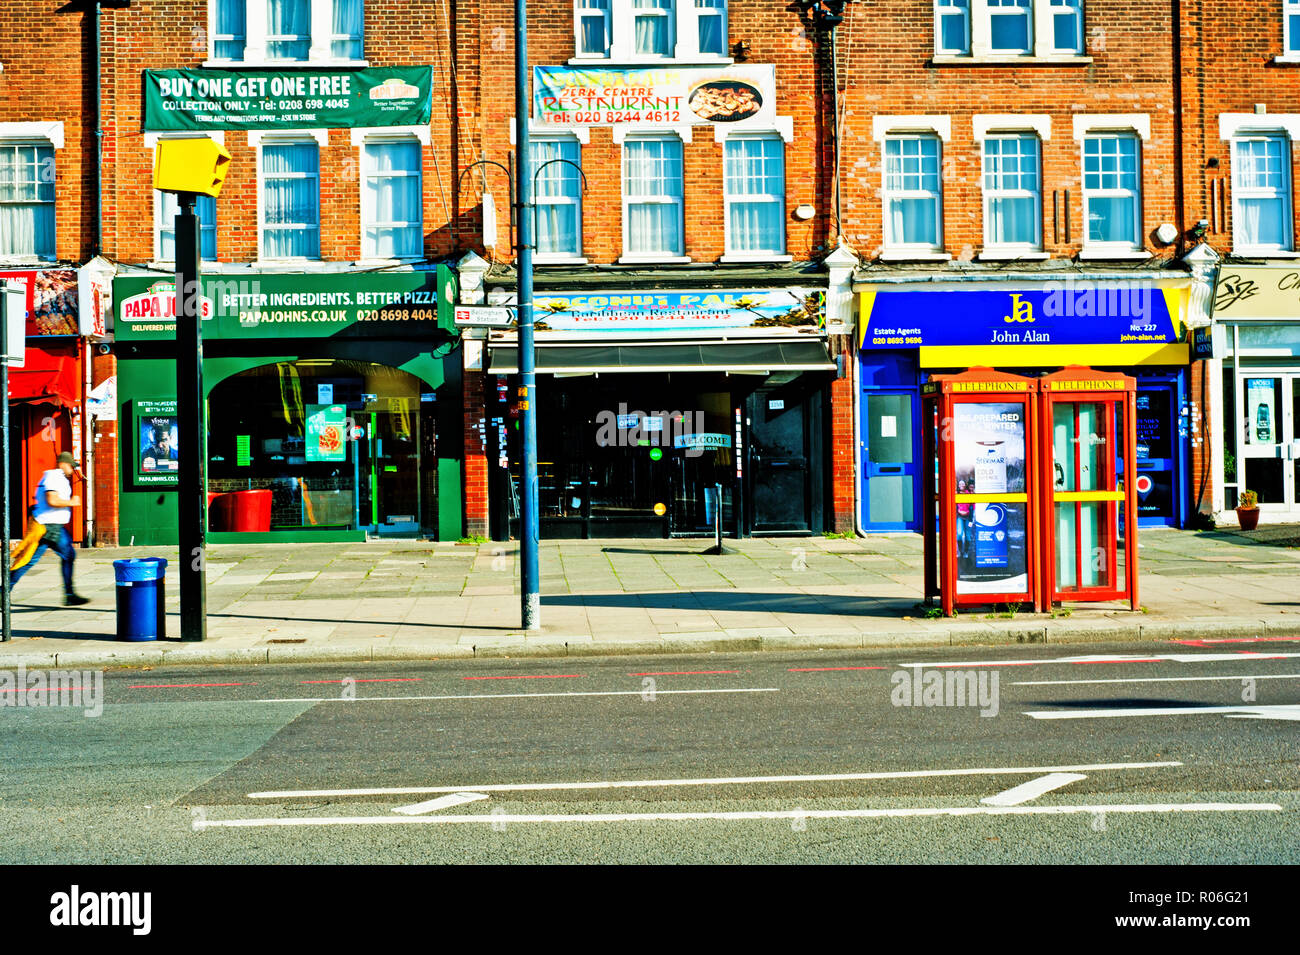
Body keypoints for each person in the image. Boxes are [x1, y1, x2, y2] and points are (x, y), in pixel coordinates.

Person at [9, 452, 89, 606]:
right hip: (50, 526)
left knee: (29, 561)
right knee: (67, 556)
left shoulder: (57, 478)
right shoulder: (54, 477)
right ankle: (69, 594)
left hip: (49, 525)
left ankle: (3, 591)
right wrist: (72, 502)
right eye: (71, 466)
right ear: (63, 464)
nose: (73, 470)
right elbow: (52, 500)